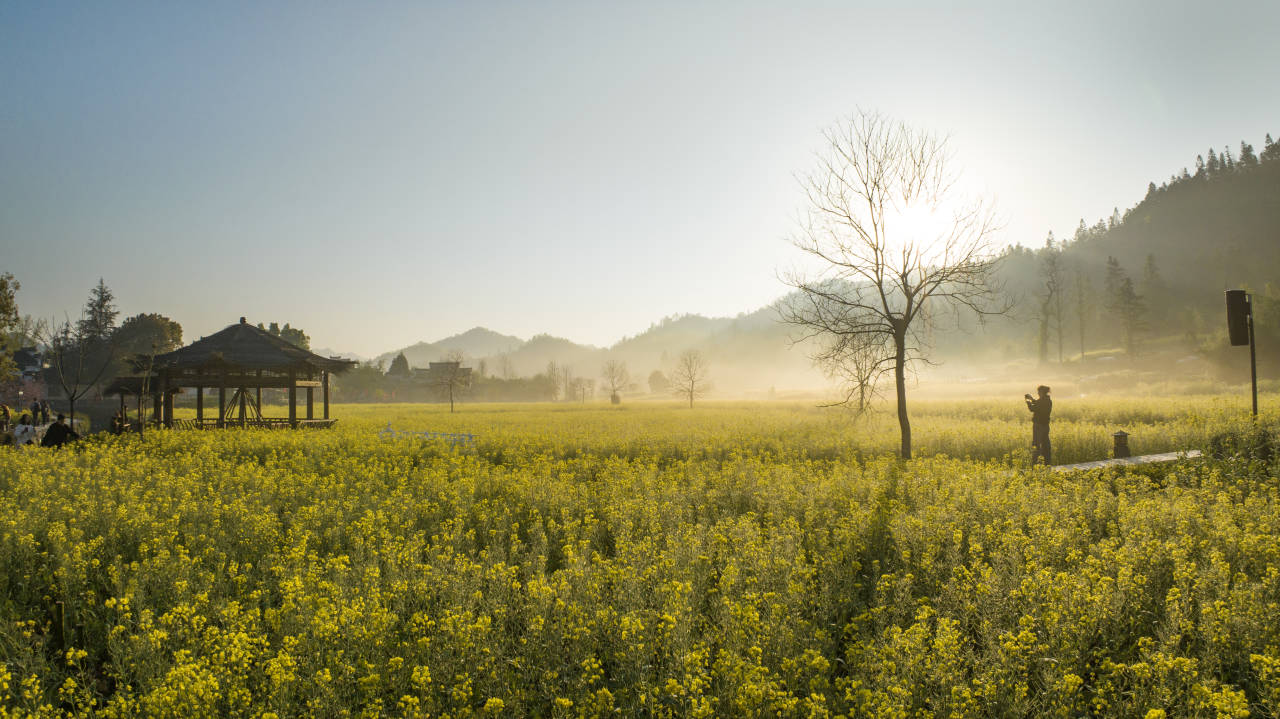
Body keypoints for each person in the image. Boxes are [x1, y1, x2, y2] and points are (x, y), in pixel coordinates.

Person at [1025, 385, 1052, 466]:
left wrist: (1028, 403)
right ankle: (1047, 463)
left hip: (1038, 426)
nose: (1038, 393)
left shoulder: (1042, 401)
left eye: (1039, 392)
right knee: (1045, 444)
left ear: (1042, 392)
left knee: (1036, 444)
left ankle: (1035, 464)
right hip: (1045, 425)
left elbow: (1033, 409)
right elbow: (1038, 404)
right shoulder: (1048, 400)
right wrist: (1032, 399)